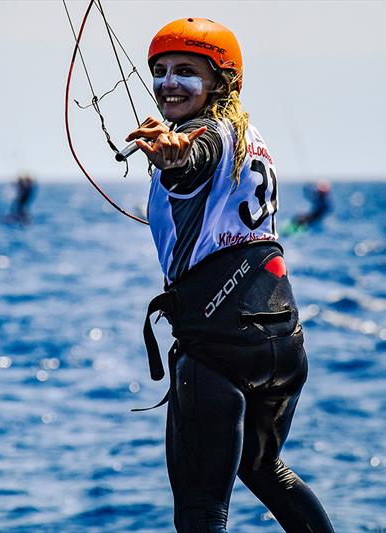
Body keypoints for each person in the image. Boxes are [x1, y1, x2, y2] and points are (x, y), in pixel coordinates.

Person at [126, 19, 335, 532]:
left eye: (186, 72)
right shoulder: (252, 138)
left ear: (221, 83)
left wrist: (173, 156)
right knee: (264, 468)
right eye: (160, 71)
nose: (168, 82)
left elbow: (192, 156)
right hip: (282, 342)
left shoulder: (207, 137)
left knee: (201, 510)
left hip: (221, 345)